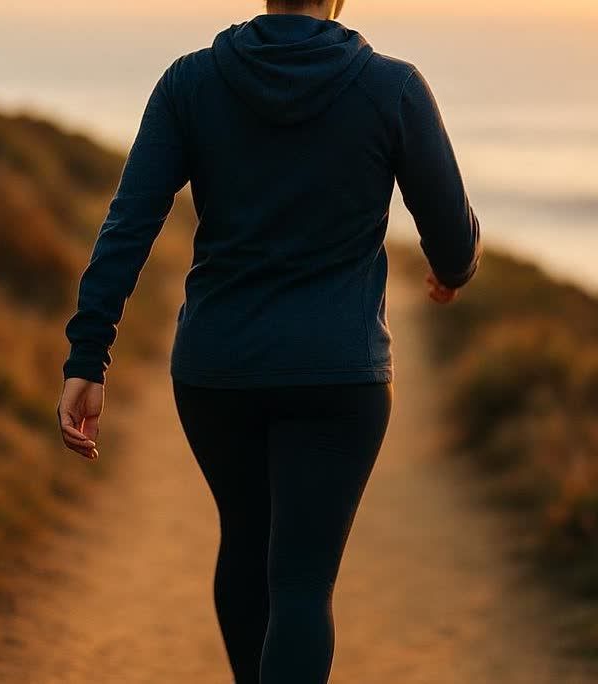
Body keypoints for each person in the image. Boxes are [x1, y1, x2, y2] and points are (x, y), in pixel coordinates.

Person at [55, 0, 481, 681]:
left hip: (218, 372)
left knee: (247, 543)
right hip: (341, 377)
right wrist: (452, 271)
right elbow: (452, 237)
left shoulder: (188, 84)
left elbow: (128, 225)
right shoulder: (392, 87)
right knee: (302, 585)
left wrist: (88, 352)